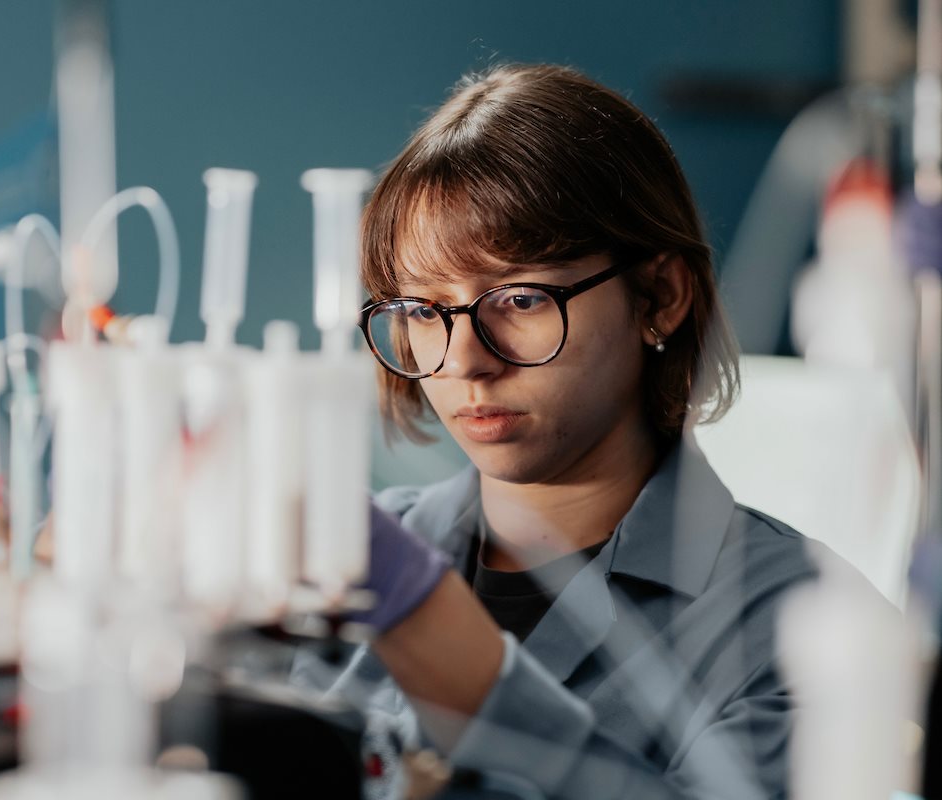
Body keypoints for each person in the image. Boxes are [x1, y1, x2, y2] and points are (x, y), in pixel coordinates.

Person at [294, 63, 821, 800]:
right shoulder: (348, 565)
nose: (468, 360)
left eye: (518, 297)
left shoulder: (804, 626)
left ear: (660, 296)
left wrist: (429, 627)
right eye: (422, 310)